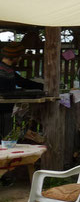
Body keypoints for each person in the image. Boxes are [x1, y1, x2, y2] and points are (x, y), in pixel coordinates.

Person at [0, 42, 43, 186]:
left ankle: (5, 177)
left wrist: (42, 86)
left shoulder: (9, 70)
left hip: (6, 110)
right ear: (15, 56)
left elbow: (23, 82)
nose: (21, 59)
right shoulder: (3, 70)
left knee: (5, 144)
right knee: (5, 145)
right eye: (19, 56)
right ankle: (4, 177)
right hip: (3, 111)